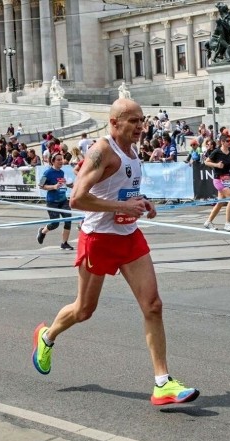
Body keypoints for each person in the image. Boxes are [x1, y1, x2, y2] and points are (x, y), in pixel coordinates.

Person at [31, 99, 199, 406]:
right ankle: (47, 336)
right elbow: (77, 200)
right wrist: (124, 206)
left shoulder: (133, 150)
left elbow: (120, 191)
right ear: (114, 123)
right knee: (84, 310)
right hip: (98, 238)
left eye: (142, 120)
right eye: (133, 121)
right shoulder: (102, 150)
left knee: (153, 305)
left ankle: (162, 383)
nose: (140, 126)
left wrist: (141, 202)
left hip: (128, 236)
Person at [36, 153, 75, 250]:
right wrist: (53, 187)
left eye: (61, 159)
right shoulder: (48, 173)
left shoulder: (62, 172)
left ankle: (64, 243)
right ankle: (42, 231)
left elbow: (68, 184)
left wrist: (75, 186)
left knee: (68, 220)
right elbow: (41, 185)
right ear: (52, 161)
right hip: (52, 202)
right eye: (58, 160)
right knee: (55, 224)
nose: (61, 161)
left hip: (63, 200)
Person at [203, 135, 230, 232]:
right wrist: (216, 165)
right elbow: (206, 162)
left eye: (229, 141)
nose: (229, 142)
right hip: (218, 179)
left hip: (227, 179)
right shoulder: (217, 152)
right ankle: (227, 223)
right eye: (227, 141)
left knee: (220, 202)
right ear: (222, 142)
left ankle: (208, 222)